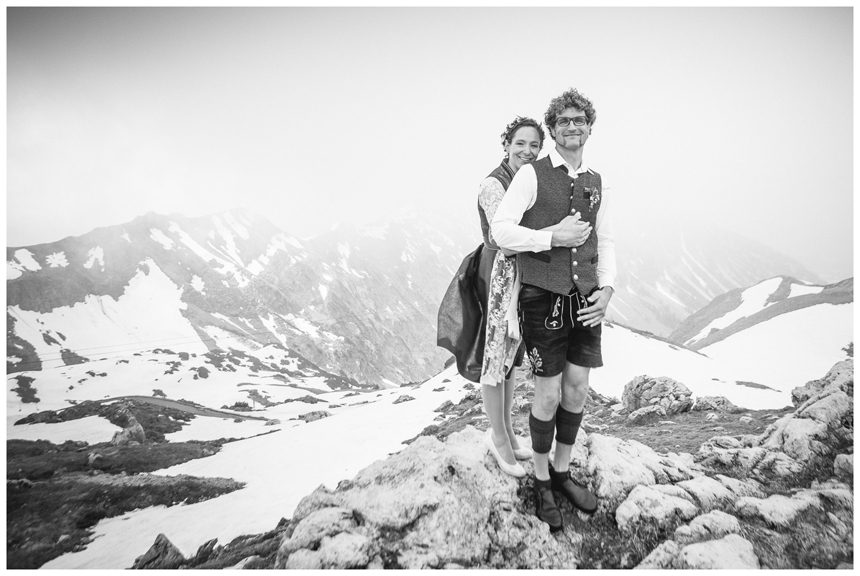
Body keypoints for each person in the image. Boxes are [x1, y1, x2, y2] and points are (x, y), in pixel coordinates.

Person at [491, 88, 616, 532]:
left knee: (577, 388)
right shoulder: (532, 176)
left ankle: (562, 471)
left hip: (584, 298)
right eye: (562, 121)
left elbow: (607, 240)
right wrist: (551, 237)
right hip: (541, 297)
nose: (572, 126)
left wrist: (608, 289)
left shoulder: (596, 181)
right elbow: (501, 232)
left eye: (579, 119)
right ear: (553, 128)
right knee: (547, 393)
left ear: (589, 126)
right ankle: (542, 480)